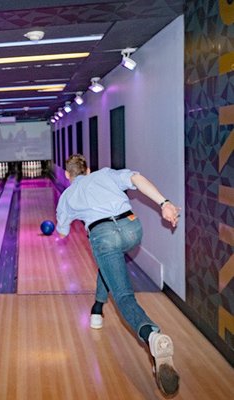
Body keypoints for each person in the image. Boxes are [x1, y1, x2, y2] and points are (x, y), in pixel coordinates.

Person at [56, 154, 180, 397]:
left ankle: (151, 335)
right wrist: (164, 203)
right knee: (109, 267)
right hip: (132, 228)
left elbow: (62, 231)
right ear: (88, 170)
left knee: (123, 296)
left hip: (104, 236)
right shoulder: (104, 174)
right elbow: (136, 178)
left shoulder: (67, 196)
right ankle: (97, 309)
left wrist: (67, 224)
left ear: (68, 176)